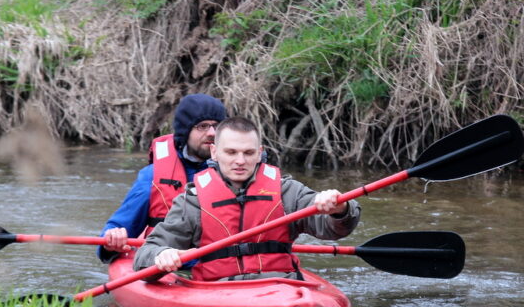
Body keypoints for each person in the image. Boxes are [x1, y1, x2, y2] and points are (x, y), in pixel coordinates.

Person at [133, 117, 361, 282]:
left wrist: (339, 208)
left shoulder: (286, 191)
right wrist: (161, 255)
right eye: (231, 152)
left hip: (281, 286)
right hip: (218, 294)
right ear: (214, 152)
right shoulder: (193, 201)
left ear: (260, 151)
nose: (240, 161)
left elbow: (333, 230)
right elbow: (145, 254)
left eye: (249, 153)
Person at [97, 93, 226, 263]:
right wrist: (112, 239)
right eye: (202, 126)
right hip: (171, 267)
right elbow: (118, 227)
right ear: (185, 131)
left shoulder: (239, 171)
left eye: (217, 127)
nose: (211, 133)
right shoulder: (152, 176)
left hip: (223, 269)